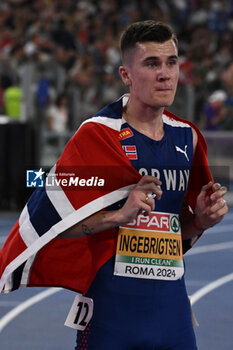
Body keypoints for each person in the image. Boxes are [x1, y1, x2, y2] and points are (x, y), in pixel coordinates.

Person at [0, 21, 228, 350]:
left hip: (173, 312)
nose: (165, 74)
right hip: (111, 314)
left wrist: (201, 221)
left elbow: (179, 231)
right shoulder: (96, 135)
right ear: (126, 74)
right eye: (152, 64)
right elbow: (54, 221)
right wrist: (118, 216)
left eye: (172, 62)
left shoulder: (188, 138)